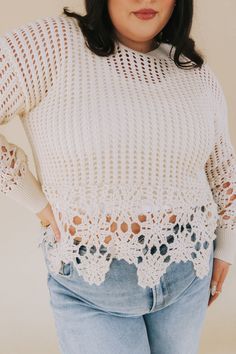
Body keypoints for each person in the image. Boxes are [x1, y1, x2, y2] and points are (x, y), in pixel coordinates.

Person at [0, 0, 235, 353]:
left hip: (189, 277)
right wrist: (37, 203)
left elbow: (222, 169)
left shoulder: (193, 71)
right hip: (92, 288)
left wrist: (227, 246)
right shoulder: (50, 44)